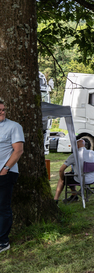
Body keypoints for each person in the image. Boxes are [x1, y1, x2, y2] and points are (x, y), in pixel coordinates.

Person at [0, 98, 25, 253]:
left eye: (3, 109)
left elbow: (18, 150)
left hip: (5, 173)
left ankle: (3, 242)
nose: (2, 112)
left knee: (2, 207)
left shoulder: (13, 126)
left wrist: (5, 169)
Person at [53, 139, 94, 204]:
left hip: (81, 179)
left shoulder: (74, 155)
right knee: (71, 175)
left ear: (77, 146)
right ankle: (74, 196)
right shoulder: (92, 153)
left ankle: (55, 199)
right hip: (92, 178)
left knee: (64, 177)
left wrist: (62, 178)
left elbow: (61, 170)